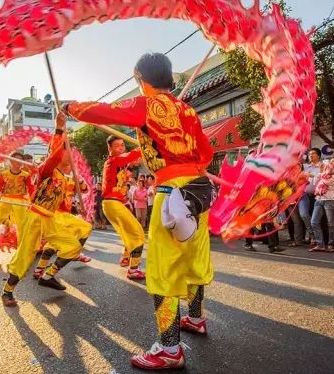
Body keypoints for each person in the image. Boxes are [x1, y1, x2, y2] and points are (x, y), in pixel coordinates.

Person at [65, 52, 214, 370]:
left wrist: (70, 107)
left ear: (140, 79)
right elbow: (207, 151)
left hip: (171, 191)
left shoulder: (146, 105)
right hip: (200, 192)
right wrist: (192, 167)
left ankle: (170, 348)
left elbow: (104, 112)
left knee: (163, 270)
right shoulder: (187, 110)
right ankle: (196, 318)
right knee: (194, 260)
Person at [1, 113, 82, 306]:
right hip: (35, 215)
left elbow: (67, 198)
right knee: (26, 255)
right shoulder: (48, 170)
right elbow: (53, 153)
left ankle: (48, 276)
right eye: (66, 153)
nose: (70, 157)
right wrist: (59, 128)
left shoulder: (64, 177)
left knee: (73, 246)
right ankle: (7, 292)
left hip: (50, 219)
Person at [90, 135, 145, 278]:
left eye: (122, 145)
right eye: (117, 146)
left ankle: (126, 258)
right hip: (112, 203)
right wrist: (146, 144)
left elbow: (131, 163)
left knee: (128, 233)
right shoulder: (113, 161)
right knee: (138, 233)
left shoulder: (121, 164)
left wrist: (132, 165)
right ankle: (133, 269)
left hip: (116, 204)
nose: (121, 148)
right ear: (110, 148)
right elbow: (133, 155)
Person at [32, 173, 93, 279]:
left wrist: (80, 180)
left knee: (54, 243)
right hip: (55, 213)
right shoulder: (53, 176)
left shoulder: (71, 179)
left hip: (65, 215)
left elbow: (84, 190)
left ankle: (39, 269)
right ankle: (73, 254)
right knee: (85, 227)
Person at [0, 150, 34, 236]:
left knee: (22, 226)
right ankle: (7, 224)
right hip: (5, 199)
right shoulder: (4, 174)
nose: (19, 162)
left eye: (21, 160)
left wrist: (34, 199)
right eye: (17, 159)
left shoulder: (26, 175)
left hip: (20, 201)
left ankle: (21, 246)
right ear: (11, 161)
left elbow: (31, 189)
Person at [309, 157, 334, 252]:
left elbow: (329, 181)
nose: (331, 163)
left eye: (333, 161)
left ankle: (330, 244)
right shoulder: (323, 172)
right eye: (330, 161)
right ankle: (320, 244)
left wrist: (320, 174)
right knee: (314, 221)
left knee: (331, 223)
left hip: (331, 198)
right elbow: (314, 183)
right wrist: (321, 171)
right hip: (319, 198)